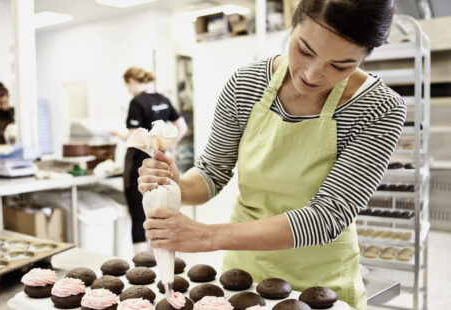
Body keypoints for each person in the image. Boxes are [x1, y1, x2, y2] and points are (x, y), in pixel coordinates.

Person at [137, 1, 403, 309]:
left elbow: (328, 216)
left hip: (320, 282)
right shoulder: (246, 84)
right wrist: (177, 186)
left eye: (340, 65)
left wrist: (207, 236)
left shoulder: (379, 108)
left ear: (366, 54)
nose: (313, 74)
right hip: (244, 275)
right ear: (294, 23)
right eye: (304, 50)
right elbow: (212, 171)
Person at [110, 67, 187, 254]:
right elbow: (182, 126)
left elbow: (132, 136)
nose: (128, 89)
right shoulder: (163, 99)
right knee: (160, 211)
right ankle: (162, 257)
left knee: (138, 216)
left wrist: (115, 133)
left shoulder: (137, 102)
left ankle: (141, 264)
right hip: (161, 163)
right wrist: (164, 145)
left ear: (131, 81)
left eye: (127, 85)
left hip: (140, 165)